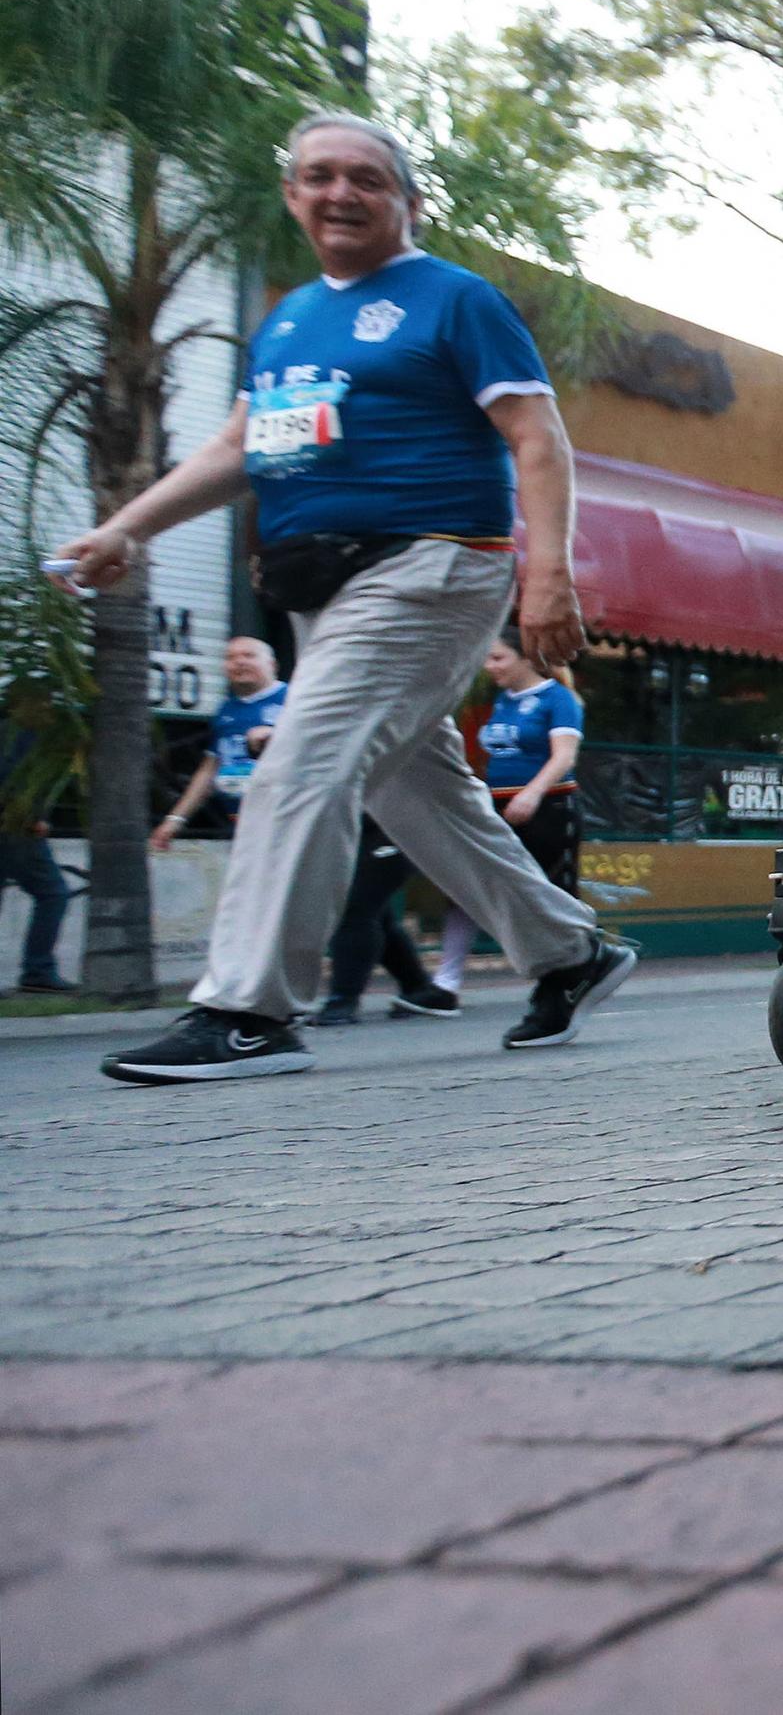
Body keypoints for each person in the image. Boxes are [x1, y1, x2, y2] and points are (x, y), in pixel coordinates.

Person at [60, 109, 636, 1082]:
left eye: (366, 177)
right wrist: (128, 526)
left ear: (408, 202)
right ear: (292, 196)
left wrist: (548, 576)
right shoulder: (286, 321)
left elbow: (538, 438)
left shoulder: (455, 300)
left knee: (300, 760)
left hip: (432, 562)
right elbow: (234, 448)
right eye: (318, 175)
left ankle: (248, 1007)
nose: (340, 192)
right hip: (319, 585)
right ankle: (568, 951)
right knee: (421, 796)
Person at [432, 630, 583, 995]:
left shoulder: (557, 699)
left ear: (526, 658)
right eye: (487, 658)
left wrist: (532, 794)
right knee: (468, 883)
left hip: (548, 806)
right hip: (495, 804)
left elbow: (564, 756)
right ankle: (445, 981)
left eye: (498, 658)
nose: (490, 666)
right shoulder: (500, 702)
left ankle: (572, 970)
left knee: (547, 890)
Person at [309, 818, 458, 1025]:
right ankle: (417, 986)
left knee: (356, 908)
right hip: (360, 826)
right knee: (373, 911)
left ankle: (342, 1000)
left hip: (395, 822)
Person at [150, 637, 285, 849]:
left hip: (283, 820)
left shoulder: (293, 699)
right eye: (231, 657)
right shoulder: (226, 710)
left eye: (249, 655)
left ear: (272, 665)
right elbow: (209, 770)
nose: (239, 662)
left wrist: (276, 735)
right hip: (240, 824)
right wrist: (175, 820)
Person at [1, 681, 76, 992]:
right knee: (53, 893)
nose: (47, 708)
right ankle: (38, 971)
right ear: (23, 705)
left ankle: (37, 971)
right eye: (41, 702)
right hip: (16, 832)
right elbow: (13, 781)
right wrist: (34, 818)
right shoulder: (17, 735)